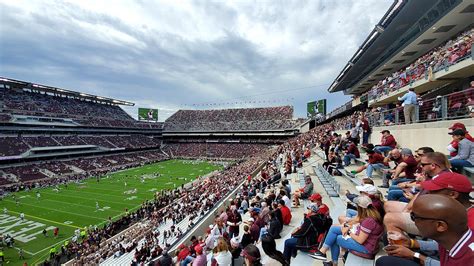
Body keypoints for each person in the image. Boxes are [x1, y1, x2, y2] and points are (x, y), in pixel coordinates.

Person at [309, 196, 384, 265]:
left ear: (360, 208)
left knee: (336, 238)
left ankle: (331, 260)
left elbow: (360, 240)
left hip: (366, 249)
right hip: (368, 244)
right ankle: (323, 252)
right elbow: (359, 227)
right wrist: (348, 227)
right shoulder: (373, 215)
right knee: (334, 229)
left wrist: (348, 232)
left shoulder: (369, 221)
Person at [411, 194, 473, 265]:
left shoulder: (469, 261)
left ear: (440, 225)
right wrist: (411, 243)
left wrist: (414, 255)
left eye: (414, 217)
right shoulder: (448, 241)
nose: (414, 222)